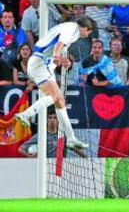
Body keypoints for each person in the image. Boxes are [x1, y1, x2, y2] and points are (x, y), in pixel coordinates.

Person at [14, 16, 93, 149]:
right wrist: (57, 56)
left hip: (43, 65)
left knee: (59, 100)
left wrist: (64, 60)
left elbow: (58, 47)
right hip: (40, 64)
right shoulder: (72, 29)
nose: (88, 35)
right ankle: (25, 114)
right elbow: (58, 45)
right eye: (89, 32)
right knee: (56, 97)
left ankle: (71, 138)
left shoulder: (72, 31)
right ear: (85, 27)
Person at [18, 108, 86, 157]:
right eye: (50, 118)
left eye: (54, 118)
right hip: (45, 166)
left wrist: (86, 158)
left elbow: (77, 149)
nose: (52, 120)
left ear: (58, 121)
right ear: (47, 121)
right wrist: (30, 157)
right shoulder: (41, 136)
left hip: (60, 166)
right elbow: (20, 149)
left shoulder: (62, 136)